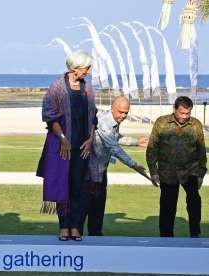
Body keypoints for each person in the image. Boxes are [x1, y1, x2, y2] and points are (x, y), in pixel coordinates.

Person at [37, 50, 97, 242]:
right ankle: (64, 226)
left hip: (82, 146)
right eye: (86, 68)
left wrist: (91, 139)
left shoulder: (87, 88)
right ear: (75, 68)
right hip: (62, 145)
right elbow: (49, 115)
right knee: (63, 185)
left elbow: (93, 116)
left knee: (79, 187)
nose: (88, 71)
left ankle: (76, 227)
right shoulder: (57, 87)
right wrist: (63, 138)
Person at [83, 96, 148, 236]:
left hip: (100, 169)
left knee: (98, 207)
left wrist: (136, 142)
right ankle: (79, 238)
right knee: (85, 207)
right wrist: (134, 165)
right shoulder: (104, 122)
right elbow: (114, 147)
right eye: (120, 112)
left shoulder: (113, 119)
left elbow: (116, 137)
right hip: (89, 172)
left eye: (126, 113)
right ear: (112, 108)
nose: (123, 116)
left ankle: (95, 235)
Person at [146, 96, 206, 238]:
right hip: (168, 172)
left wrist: (201, 174)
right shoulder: (161, 123)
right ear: (174, 109)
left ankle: (195, 234)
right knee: (168, 206)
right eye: (182, 113)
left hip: (190, 170)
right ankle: (166, 238)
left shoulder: (196, 125)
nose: (185, 116)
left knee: (194, 202)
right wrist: (153, 172)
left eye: (188, 113)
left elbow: (201, 150)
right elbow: (152, 148)